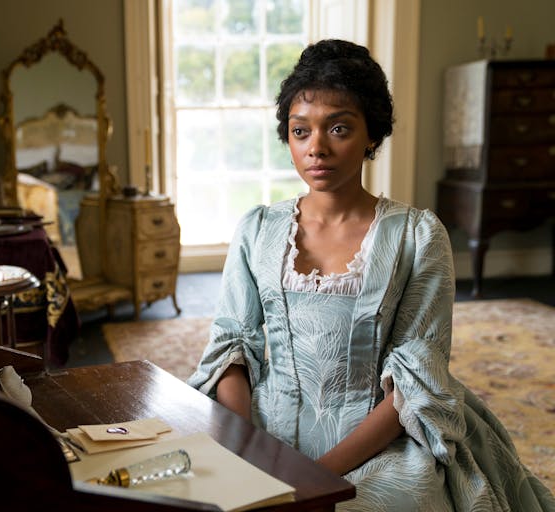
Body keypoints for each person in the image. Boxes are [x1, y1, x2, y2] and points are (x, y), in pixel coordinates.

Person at [187, 39, 555, 511]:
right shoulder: (257, 229)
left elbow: (414, 382)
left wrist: (317, 476)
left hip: (380, 438)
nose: (316, 148)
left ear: (372, 136)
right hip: (262, 433)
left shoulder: (418, 236)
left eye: (338, 128)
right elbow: (231, 348)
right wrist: (245, 451)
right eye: (300, 132)